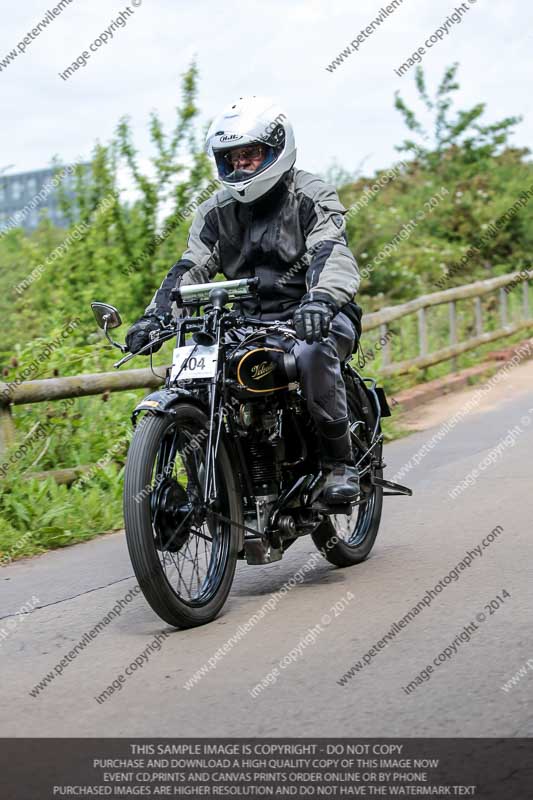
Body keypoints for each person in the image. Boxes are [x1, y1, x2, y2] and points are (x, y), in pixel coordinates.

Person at [125, 96, 363, 503]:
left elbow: (331, 253)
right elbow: (191, 266)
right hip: (248, 324)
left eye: (251, 155)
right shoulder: (216, 212)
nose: (240, 166)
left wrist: (320, 300)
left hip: (314, 315)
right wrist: (155, 317)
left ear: (276, 148)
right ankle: (213, 483)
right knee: (192, 374)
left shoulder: (310, 194)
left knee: (311, 354)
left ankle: (337, 464)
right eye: (232, 158)